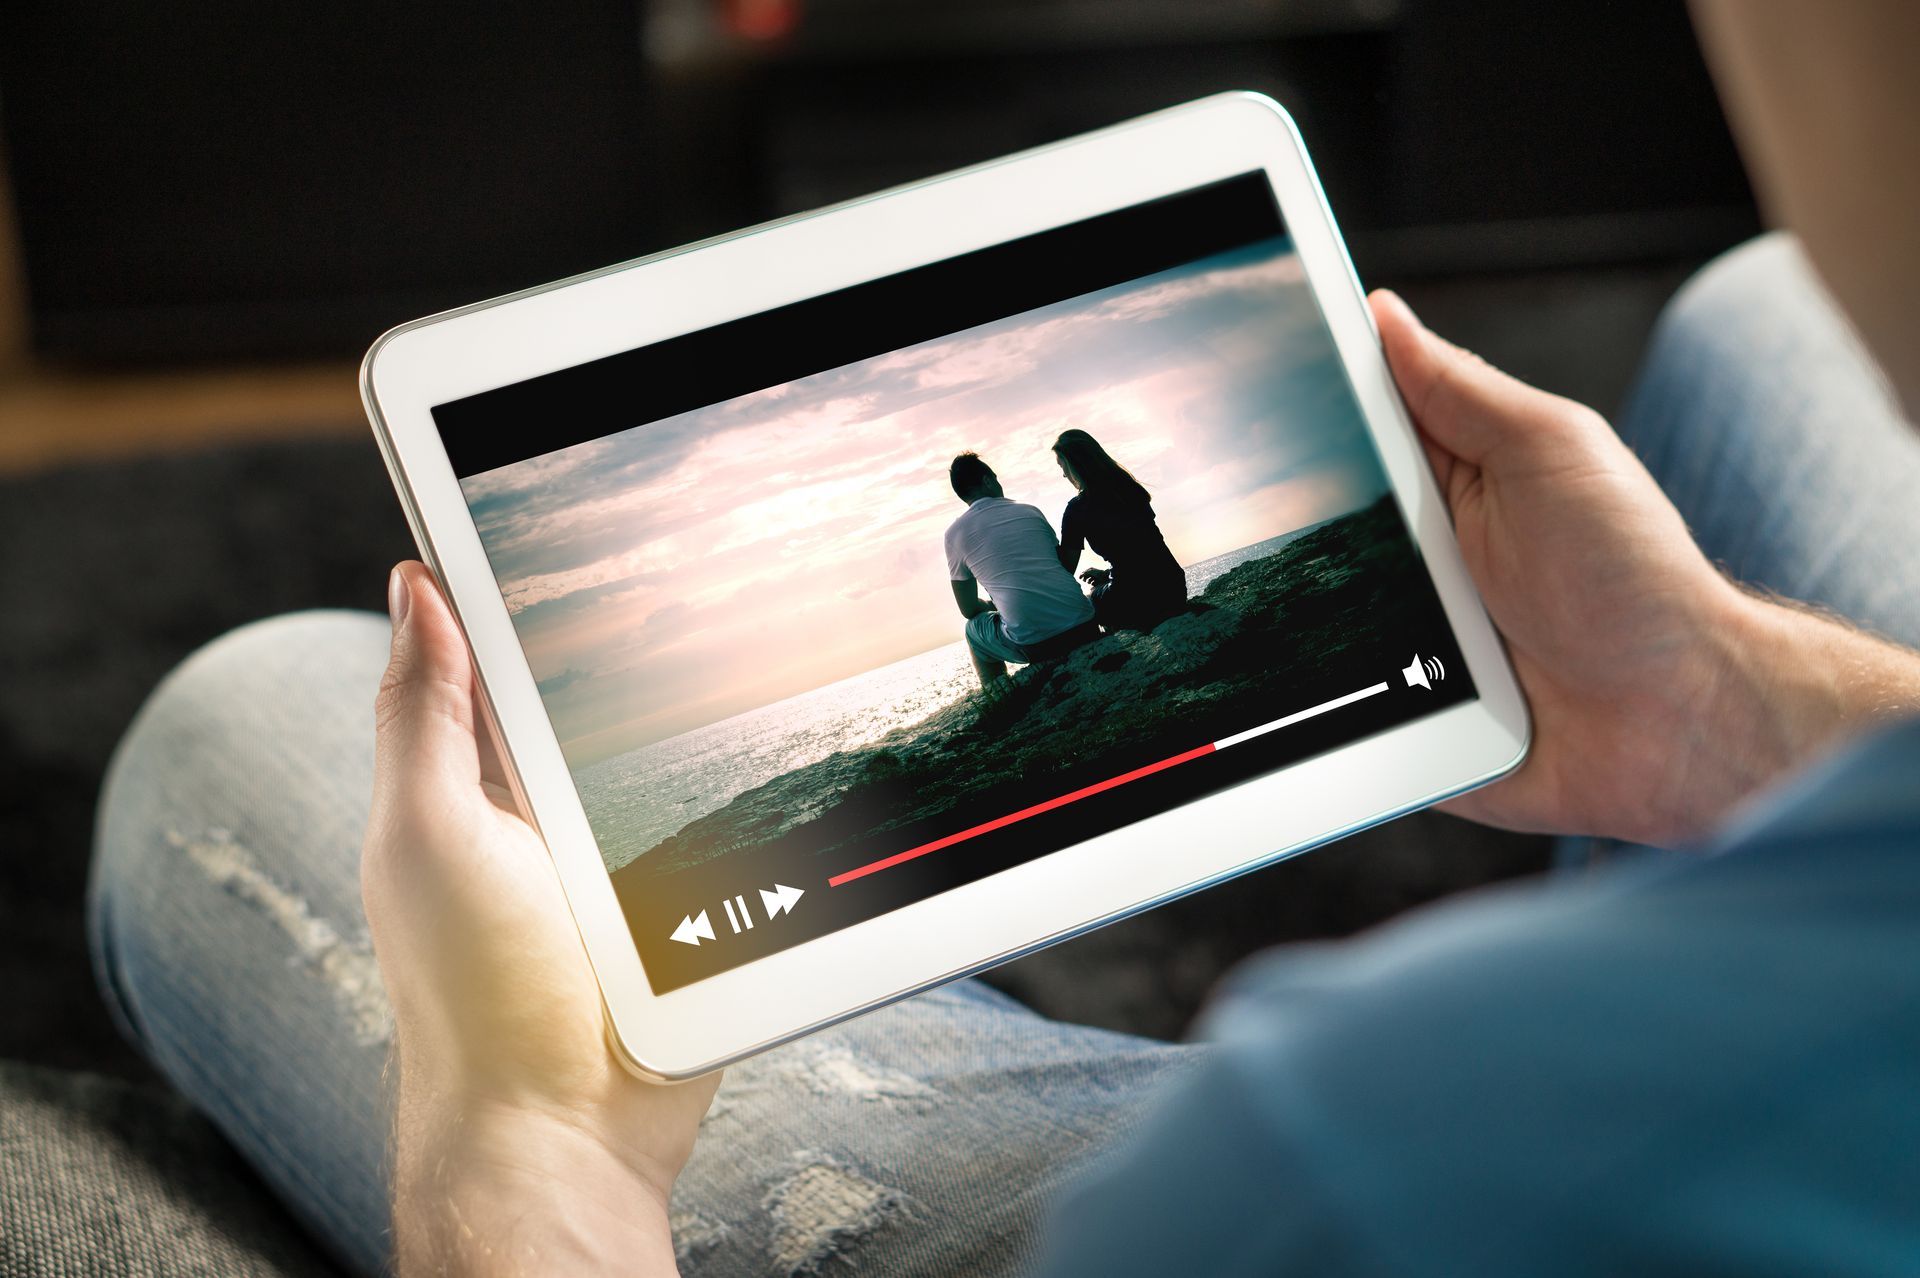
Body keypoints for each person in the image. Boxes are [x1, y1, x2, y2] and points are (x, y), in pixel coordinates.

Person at [86, 4, 1920, 1273]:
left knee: (246, 711)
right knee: (1768, 318)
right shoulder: (1058, 498)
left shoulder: (1354, 1155)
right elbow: (1080, 551)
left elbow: (992, 591)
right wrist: (1729, 704)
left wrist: (526, 1149)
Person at [943, 451, 1101, 689]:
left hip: (1038, 646)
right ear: (987, 480)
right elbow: (1062, 569)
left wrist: (992, 604)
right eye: (995, 478)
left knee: (973, 629)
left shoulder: (954, 534)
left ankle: (999, 693)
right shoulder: (1029, 511)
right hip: (1085, 625)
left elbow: (967, 609)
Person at [1052, 430, 1187, 632]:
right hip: (1173, 589)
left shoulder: (1077, 509)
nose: (1063, 474)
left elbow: (1067, 568)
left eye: (1062, 466)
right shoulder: (1130, 489)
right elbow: (1141, 550)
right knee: (1112, 588)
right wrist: (1108, 574)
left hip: (1135, 599)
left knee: (1092, 600)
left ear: (1073, 464)